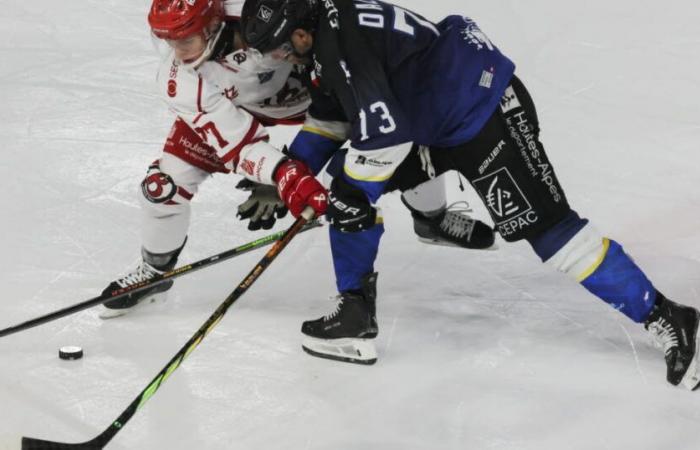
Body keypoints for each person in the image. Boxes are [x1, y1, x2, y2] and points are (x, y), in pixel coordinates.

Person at [240, 0, 700, 390]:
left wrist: (348, 194)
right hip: (433, 118)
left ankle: (667, 315)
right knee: (350, 190)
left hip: (483, 113)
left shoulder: (339, 45)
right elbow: (332, 119)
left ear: (301, 35)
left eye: (281, 49)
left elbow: (385, 135)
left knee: (550, 232)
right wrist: (289, 175)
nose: (281, 60)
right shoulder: (327, 31)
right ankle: (356, 312)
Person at [100, 0, 495, 319]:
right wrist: (282, 172)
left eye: (184, 39)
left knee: (395, 129)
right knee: (160, 189)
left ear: (213, 22)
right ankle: (154, 271)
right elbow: (239, 145)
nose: (177, 51)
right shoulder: (182, 81)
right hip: (236, 111)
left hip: (319, 87)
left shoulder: (260, 9)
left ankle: (432, 218)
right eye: (169, 41)